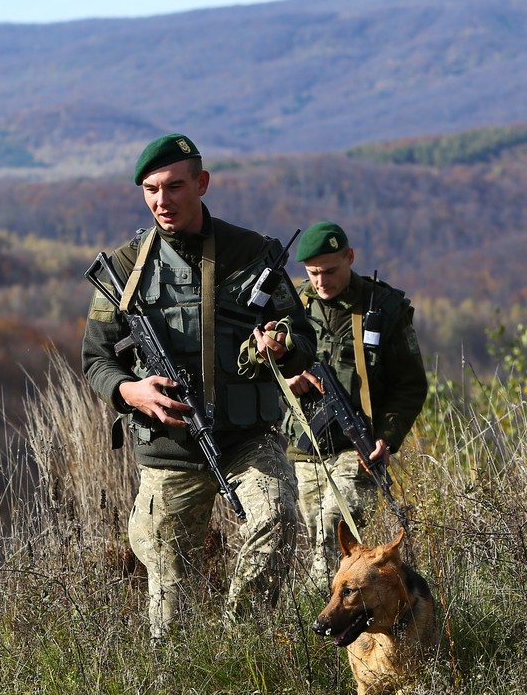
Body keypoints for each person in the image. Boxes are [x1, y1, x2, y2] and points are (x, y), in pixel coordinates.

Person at [82, 134, 315, 636]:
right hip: (170, 451)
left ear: (202, 184)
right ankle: (181, 689)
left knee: (276, 517)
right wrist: (132, 392)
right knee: (170, 605)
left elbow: (303, 338)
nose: (161, 201)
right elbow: (96, 359)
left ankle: (241, 645)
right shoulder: (124, 269)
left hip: (246, 438)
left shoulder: (253, 253)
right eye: (150, 189)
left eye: (174, 187)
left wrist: (280, 343)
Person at [286, 221, 429, 590]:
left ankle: (328, 618)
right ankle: (329, 618)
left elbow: (410, 384)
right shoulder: (293, 308)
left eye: (330, 271)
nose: (321, 281)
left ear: (350, 257)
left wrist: (388, 436)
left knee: (332, 536)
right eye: (313, 273)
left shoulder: (383, 308)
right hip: (308, 445)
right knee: (317, 534)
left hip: (360, 447)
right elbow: (256, 364)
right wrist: (286, 380)